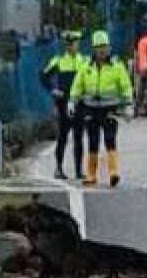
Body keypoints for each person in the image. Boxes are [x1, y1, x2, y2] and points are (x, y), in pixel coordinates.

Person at [70, 29, 132, 187]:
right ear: (94, 49)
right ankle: (91, 175)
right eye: (99, 47)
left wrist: (128, 105)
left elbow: (125, 86)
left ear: (109, 48)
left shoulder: (117, 66)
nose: (103, 50)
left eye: (105, 46)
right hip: (90, 109)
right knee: (93, 141)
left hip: (110, 109)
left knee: (110, 139)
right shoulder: (86, 67)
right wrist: (72, 101)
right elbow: (77, 86)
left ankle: (114, 173)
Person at [41, 30, 89, 182]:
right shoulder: (58, 61)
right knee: (62, 136)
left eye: (74, 43)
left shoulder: (84, 60)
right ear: (66, 45)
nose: (73, 46)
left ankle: (78, 170)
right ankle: (59, 167)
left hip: (79, 103)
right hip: (63, 104)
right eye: (70, 43)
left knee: (79, 137)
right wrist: (52, 89)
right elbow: (43, 75)